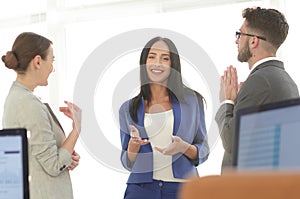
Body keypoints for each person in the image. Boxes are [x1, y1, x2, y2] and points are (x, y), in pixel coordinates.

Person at [119, 36, 209, 199]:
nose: (157, 63)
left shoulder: (193, 101)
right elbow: (127, 161)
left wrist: (184, 148)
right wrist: (133, 148)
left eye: (165, 58)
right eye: (152, 57)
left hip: (184, 188)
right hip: (141, 189)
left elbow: (203, 150)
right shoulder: (128, 108)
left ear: (173, 64)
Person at [215, 7, 299, 171]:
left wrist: (227, 101)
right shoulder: (285, 80)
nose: (236, 41)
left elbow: (231, 141)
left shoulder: (260, 81)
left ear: (254, 41)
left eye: (239, 35)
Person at [2, 32, 81, 199]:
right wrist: (77, 129)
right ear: (38, 61)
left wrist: (67, 156)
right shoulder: (28, 103)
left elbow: (41, 157)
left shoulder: (19, 98)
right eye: (51, 61)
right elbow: (54, 165)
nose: (52, 68)